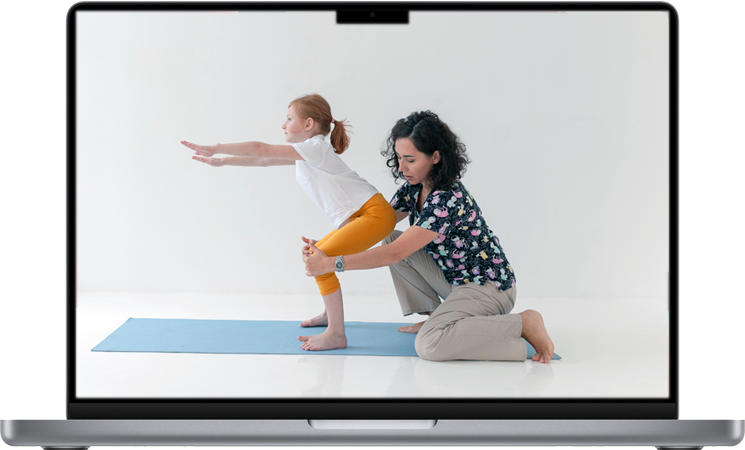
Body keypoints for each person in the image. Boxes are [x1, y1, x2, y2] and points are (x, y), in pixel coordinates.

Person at [303, 110, 555, 363]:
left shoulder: (447, 199)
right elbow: (374, 226)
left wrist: (333, 263)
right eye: (399, 158)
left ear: (435, 156)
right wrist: (329, 244)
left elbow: (395, 254)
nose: (401, 167)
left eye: (410, 160)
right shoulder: (414, 188)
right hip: (456, 282)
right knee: (390, 237)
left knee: (430, 345)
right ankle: (438, 317)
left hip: (489, 288)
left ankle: (523, 323)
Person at [182, 94, 396, 351]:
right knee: (315, 256)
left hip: (374, 214)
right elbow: (263, 160)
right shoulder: (308, 153)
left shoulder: (315, 148)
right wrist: (222, 161)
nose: (283, 125)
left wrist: (217, 147)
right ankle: (331, 316)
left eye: (289, 118)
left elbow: (261, 149)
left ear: (308, 124)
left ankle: (337, 334)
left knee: (319, 260)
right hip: (364, 215)